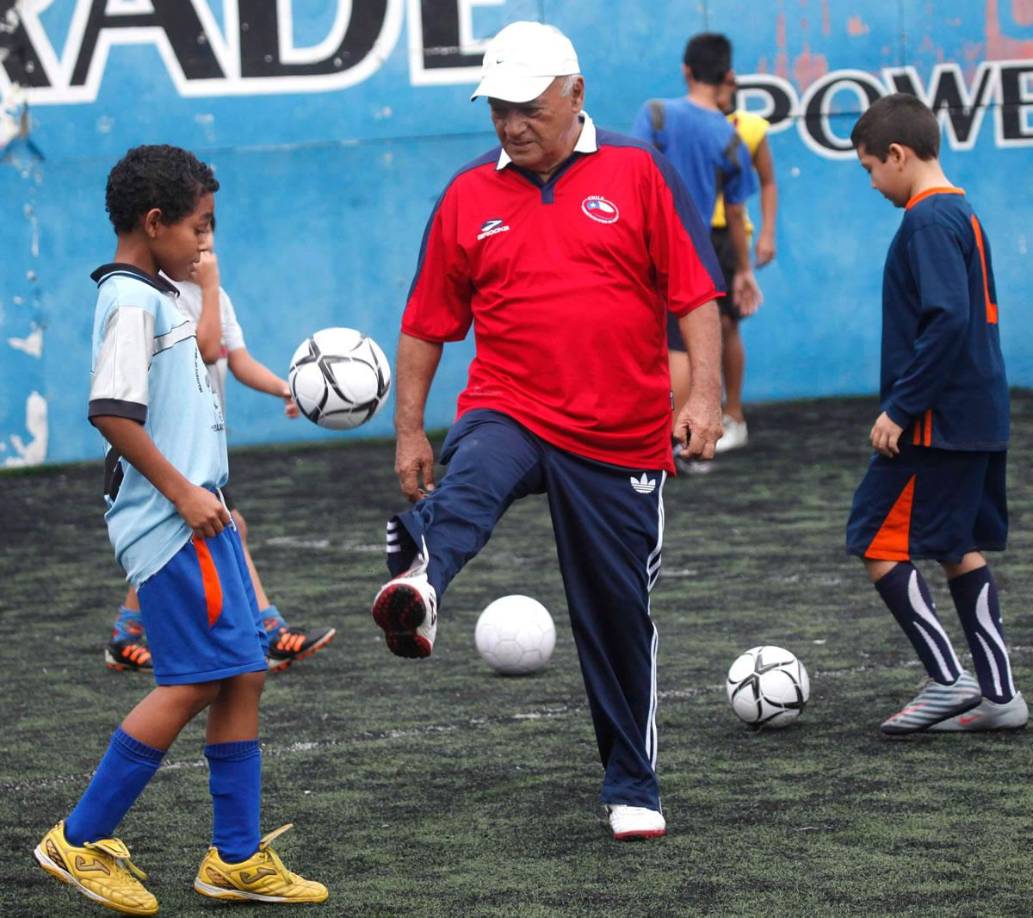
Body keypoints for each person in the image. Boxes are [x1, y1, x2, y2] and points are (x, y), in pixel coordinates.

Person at [370, 21, 725, 841]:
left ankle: (632, 784)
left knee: (615, 614)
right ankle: (421, 586)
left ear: (574, 95)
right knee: (474, 470)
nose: (509, 124)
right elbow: (425, 326)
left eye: (525, 107)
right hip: (512, 403)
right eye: (496, 108)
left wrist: (702, 396)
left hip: (620, 437)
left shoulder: (638, 172)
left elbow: (693, 296)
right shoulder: (466, 196)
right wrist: (409, 432)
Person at [33, 145, 327, 914]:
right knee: (196, 679)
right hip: (174, 523)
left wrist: (206, 497)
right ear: (154, 222)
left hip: (206, 515)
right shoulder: (129, 299)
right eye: (199, 228)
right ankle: (79, 838)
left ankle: (233, 857)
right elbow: (110, 412)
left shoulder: (162, 295)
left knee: (243, 672)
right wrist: (182, 493)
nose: (206, 243)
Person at [846, 94, 1026, 735]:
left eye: (870, 168)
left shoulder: (925, 220)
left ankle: (949, 679)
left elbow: (946, 321)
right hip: (976, 416)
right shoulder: (960, 211)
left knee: (873, 537)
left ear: (897, 156)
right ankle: (1000, 696)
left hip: (935, 424)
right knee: (954, 545)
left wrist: (901, 407)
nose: (872, 183)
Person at [105, 228, 336, 676]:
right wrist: (208, 288)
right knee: (217, 528)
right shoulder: (168, 297)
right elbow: (208, 348)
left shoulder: (217, 297)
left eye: (209, 228)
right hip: (173, 447)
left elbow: (236, 358)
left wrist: (286, 389)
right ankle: (268, 630)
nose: (204, 240)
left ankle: (126, 632)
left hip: (203, 447)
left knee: (223, 528)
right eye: (197, 228)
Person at [631, 32, 761, 457]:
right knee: (681, 344)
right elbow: (738, 212)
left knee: (665, 345)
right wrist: (744, 270)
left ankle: (668, 438)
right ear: (726, 75)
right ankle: (681, 441)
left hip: (641, 245)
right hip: (695, 250)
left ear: (686, 70)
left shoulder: (655, 115)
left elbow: (634, 177)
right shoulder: (729, 136)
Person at [708, 75, 779, 452]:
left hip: (730, 238)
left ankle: (733, 416)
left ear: (731, 83)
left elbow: (768, 181)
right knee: (686, 332)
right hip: (692, 233)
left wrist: (767, 232)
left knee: (726, 324)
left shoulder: (751, 127)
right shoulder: (690, 123)